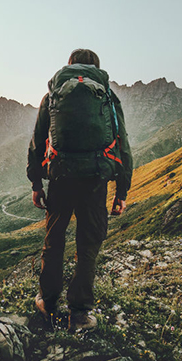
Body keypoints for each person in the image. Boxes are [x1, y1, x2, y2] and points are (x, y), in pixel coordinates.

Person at [26, 48, 133, 331]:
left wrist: (36, 184)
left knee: (54, 242)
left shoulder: (53, 96)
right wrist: (122, 192)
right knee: (87, 247)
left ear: (70, 66)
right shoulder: (108, 97)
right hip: (95, 181)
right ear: (96, 68)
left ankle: (48, 303)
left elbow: (37, 143)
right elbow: (123, 145)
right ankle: (80, 313)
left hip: (60, 179)